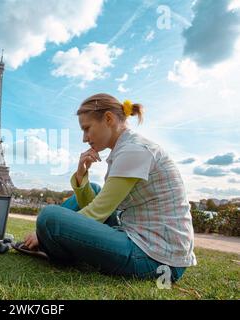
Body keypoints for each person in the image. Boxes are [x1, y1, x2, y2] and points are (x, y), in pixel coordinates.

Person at [19, 93, 197, 282]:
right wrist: (81, 175)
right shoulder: (127, 147)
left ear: (109, 119)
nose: (84, 138)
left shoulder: (133, 150)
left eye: (87, 129)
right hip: (146, 244)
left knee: (49, 217)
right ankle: (56, 243)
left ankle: (53, 245)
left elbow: (98, 212)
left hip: (158, 260)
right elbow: (99, 207)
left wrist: (42, 233)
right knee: (94, 189)